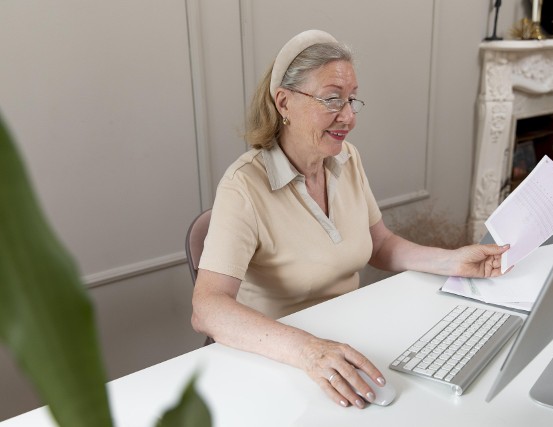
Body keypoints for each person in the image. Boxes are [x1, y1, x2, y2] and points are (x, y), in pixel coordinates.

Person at [191, 29, 510, 409]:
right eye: (331, 100)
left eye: (351, 100)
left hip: (348, 343)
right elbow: (207, 308)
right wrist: (309, 352)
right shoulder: (243, 186)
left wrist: (451, 260)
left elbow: (379, 244)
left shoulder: (346, 159)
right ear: (284, 103)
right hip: (282, 360)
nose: (348, 117)